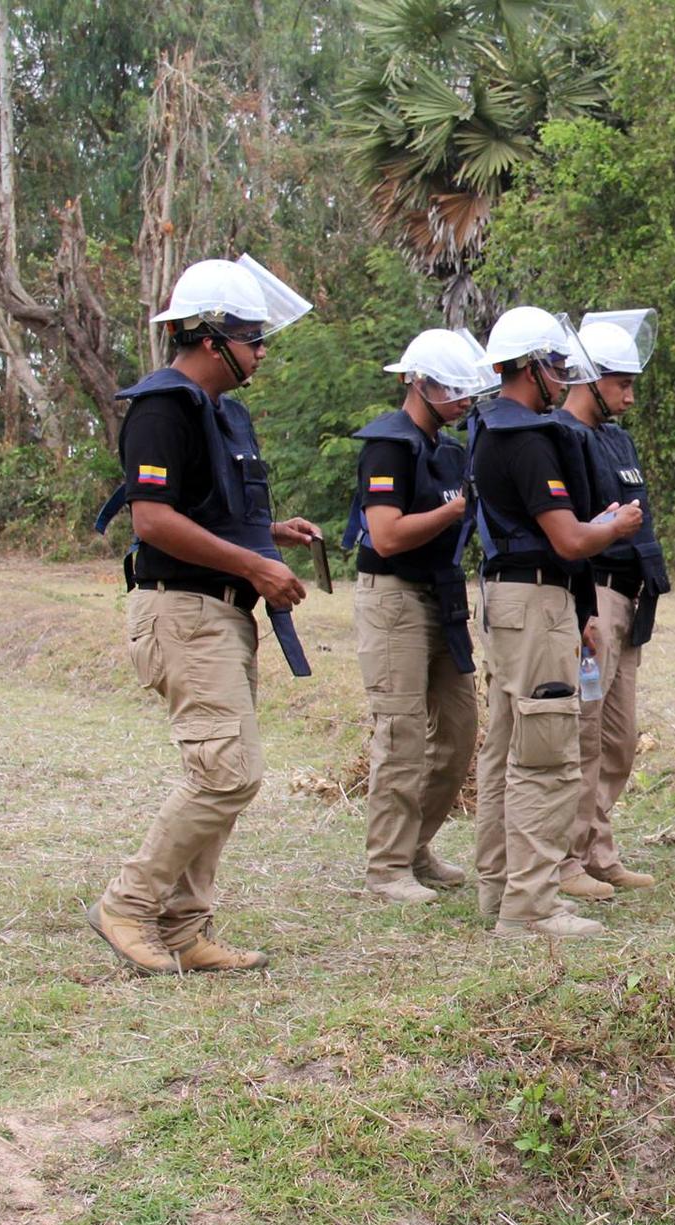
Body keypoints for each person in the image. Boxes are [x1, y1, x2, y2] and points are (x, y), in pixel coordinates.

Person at [86, 255, 317, 975]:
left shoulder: (220, 413)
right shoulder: (162, 408)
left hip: (220, 614)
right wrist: (253, 565)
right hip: (182, 613)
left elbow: (203, 508)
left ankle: (185, 928)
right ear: (214, 338)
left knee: (229, 771)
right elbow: (153, 521)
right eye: (253, 339)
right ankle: (128, 904)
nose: (262, 352)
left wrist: (269, 536)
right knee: (225, 773)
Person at [462, 306, 644, 940]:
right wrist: (613, 528)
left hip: (517, 599)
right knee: (546, 754)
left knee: (507, 746)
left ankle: (498, 886)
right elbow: (567, 540)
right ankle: (530, 905)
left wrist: (585, 613)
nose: (565, 376)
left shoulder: (490, 427)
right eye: (557, 364)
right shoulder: (530, 437)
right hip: (534, 604)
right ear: (531, 367)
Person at [341, 329, 488, 904]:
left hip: (442, 597)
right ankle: (386, 868)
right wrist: (453, 510)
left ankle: (416, 846)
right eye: (452, 390)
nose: (462, 401)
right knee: (401, 736)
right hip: (393, 599)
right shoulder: (388, 444)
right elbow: (386, 533)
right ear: (417, 383)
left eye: (467, 391)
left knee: (458, 733)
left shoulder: (451, 449)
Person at [556, 310, 667, 901]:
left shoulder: (617, 438)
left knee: (619, 737)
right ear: (588, 379)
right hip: (592, 594)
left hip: (631, 597)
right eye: (620, 383)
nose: (628, 395)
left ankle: (599, 847)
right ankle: (567, 858)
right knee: (584, 731)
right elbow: (566, 530)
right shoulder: (561, 437)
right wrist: (581, 613)